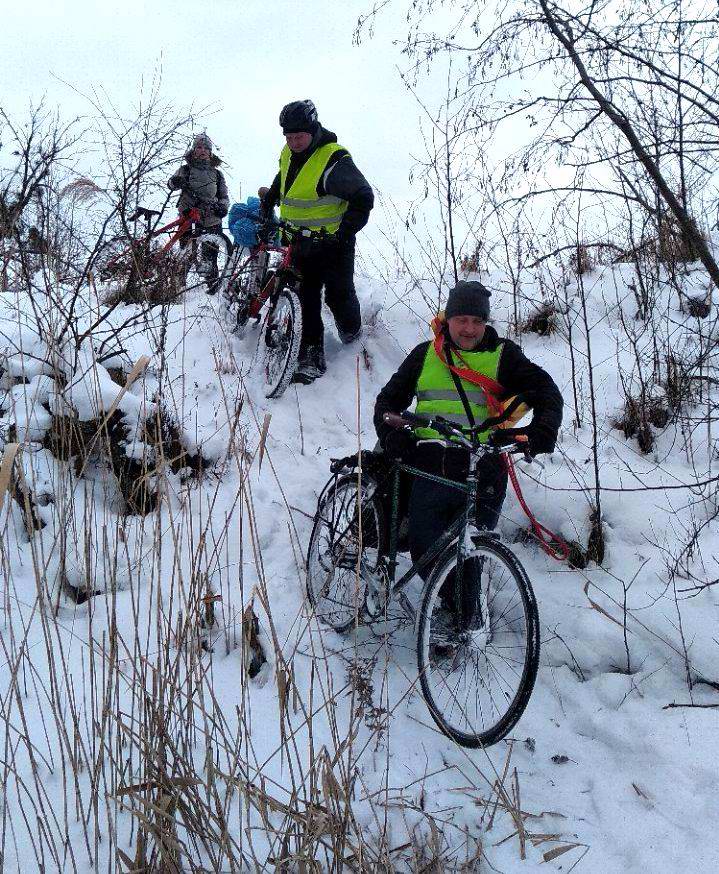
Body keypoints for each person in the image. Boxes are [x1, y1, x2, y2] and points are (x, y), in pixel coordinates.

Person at [374, 280, 563, 621]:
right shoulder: (425, 355)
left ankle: (464, 619)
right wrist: (392, 440)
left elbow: (547, 391)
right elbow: (387, 402)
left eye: (477, 321)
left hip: (484, 466)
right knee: (426, 546)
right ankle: (450, 607)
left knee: (472, 551)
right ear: (447, 319)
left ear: (485, 323)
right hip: (431, 463)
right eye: (462, 319)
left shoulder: (504, 356)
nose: (469, 328)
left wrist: (542, 431)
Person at [261, 100, 374, 383]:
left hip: (333, 244)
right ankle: (310, 355)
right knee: (305, 298)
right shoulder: (288, 152)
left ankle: (352, 333)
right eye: (288, 137)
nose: (293, 142)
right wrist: (270, 200)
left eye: (298, 136)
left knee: (338, 296)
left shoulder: (333, 161)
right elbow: (284, 178)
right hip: (299, 243)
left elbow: (363, 197)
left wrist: (343, 234)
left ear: (313, 130)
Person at [168, 133, 230, 288]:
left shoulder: (217, 174)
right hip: (188, 215)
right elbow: (171, 185)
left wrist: (223, 207)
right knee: (186, 252)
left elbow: (223, 196)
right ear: (194, 150)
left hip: (211, 217)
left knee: (210, 254)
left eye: (205, 148)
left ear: (210, 152)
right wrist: (174, 181)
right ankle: (177, 287)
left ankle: (212, 285)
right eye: (199, 147)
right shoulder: (185, 170)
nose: (202, 150)